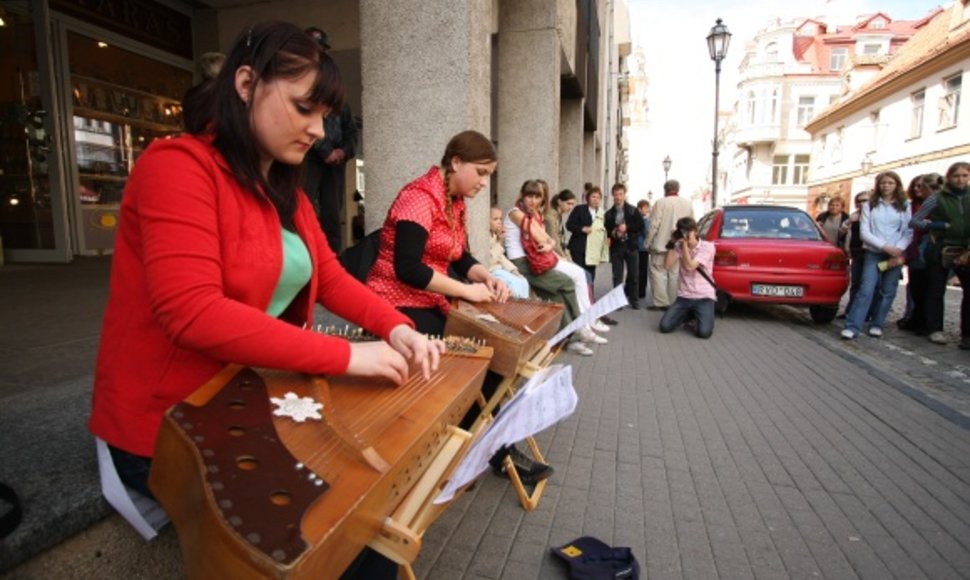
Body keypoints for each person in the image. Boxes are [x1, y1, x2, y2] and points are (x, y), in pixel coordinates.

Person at [87, 22, 442, 580]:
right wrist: (350, 356)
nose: (319, 131)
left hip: (243, 396)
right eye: (305, 109)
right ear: (247, 83)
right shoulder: (176, 167)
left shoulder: (281, 189)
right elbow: (193, 311)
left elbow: (329, 277)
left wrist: (395, 326)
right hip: (169, 419)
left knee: (363, 523)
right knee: (341, 541)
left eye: (324, 116)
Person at [365, 130, 553, 485]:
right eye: (481, 173)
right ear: (455, 162)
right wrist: (467, 291)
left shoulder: (456, 202)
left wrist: (485, 277)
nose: (484, 183)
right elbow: (408, 268)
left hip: (432, 297)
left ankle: (486, 448)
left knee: (493, 357)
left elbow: (460, 256)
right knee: (467, 360)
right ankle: (471, 451)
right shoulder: (418, 198)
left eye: (489, 175)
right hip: (394, 300)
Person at [505, 179, 611, 353]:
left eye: (537, 197)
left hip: (533, 260)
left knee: (558, 298)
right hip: (522, 263)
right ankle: (581, 326)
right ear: (522, 196)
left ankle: (572, 339)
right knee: (567, 283)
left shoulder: (531, 214)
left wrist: (549, 243)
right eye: (529, 196)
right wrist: (548, 242)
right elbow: (540, 236)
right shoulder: (515, 213)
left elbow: (547, 238)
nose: (533, 200)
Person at [304, 26, 358, 253]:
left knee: (333, 218)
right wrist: (325, 150)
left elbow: (350, 130)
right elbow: (303, 121)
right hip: (309, 157)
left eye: (322, 49)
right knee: (302, 211)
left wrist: (343, 151)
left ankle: (335, 264)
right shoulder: (300, 81)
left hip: (335, 163)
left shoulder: (335, 88)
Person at [841, 171, 912, 340]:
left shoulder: (904, 205)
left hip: (895, 255)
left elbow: (908, 231)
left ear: (897, 185)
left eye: (890, 183)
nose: (886, 186)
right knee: (865, 289)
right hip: (874, 253)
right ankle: (853, 325)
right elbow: (865, 232)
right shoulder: (870, 206)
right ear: (878, 185)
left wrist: (898, 249)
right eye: (883, 183)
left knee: (887, 290)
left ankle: (877, 323)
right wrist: (885, 246)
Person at [910, 161, 970, 348]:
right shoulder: (936, 198)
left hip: (965, 249)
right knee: (936, 290)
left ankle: (967, 335)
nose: (960, 179)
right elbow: (915, 221)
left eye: (964, 175)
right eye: (956, 175)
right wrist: (938, 225)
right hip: (941, 247)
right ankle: (935, 329)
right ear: (949, 177)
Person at [658, 217, 716, 338]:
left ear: (695, 231)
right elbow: (667, 266)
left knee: (704, 333)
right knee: (665, 326)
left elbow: (690, 266)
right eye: (683, 231)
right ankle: (689, 315)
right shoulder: (678, 247)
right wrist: (672, 243)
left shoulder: (707, 247)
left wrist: (684, 245)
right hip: (684, 296)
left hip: (704, 297)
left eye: (688, 231)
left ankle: (699, 316)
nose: (686, 235)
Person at [898, 174, 940, 334]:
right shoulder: (911, 205)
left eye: (921, 186)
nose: (917, 189)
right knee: (915, 286)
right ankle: (912, 316)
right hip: (913, 247)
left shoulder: (935, 203)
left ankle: (926, 322)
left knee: (929, 287)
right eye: (915, 186)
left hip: (929, 246)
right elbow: (910, 224)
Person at [645, 179, 694, 309]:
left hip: (661, 244)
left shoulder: (660, 203)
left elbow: (654, 225)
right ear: (678, 189)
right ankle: (673, 302)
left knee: (657, 272)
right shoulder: (687, 204)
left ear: (665, 190)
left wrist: (648, 242)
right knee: (674, 274)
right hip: (679, 245)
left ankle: (661, 302)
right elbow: (692, 226)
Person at [604, 183, 643, 309]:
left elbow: (640, 226)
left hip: (631, 246)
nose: (618, 197)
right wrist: (614, 232)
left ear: (624, 195)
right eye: (616, 195)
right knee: (617, 276)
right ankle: (618, 301)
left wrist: (627, 227)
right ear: (613, 196)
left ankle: (634, 300)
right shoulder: (609, 213)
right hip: (616, 247)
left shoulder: (633, 210)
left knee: (633, 275)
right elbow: (607, 230)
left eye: (620, 194)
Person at [566, 186, 609, 287]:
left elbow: (606, 231)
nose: (596, 200)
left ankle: (589, 296)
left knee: (591, 274)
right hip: (579, 248)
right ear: (588, 198)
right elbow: (569, 225)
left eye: (598, 197)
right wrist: (582, 229)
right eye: (593, 197)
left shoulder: (602, 213)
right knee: (580, 273)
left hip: (594, 250)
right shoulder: (579, 209)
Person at [839, 190, 871, 318]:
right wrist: (848, 223)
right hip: (856, 254)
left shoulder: (874, 216)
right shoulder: (853, 217)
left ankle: (866, 313)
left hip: (870, 253)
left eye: (865, 200)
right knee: (855, 284)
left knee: (868, 285)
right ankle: (850, 311)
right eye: (859, 201)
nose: (862, 203)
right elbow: (841, 233)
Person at [488, 206, 530, 299]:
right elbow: (493, 256)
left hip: (500, 268)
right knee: (510, 285)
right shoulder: (486, 238)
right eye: (495, 219)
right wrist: (499, 240)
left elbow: (501, 257)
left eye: (500, 219)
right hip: (491, 271)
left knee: (523, 281)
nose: (499, 222)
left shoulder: (495, 236)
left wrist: (513, 270)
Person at [545, 188, 577, 259]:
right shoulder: (551, 217)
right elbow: (554, 239)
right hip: (551, 254)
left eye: (572, 204)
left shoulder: (558, 215)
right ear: (559, 202)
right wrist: (563, 256)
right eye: (568, 203)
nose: (571, 207)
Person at [636, 199, 651, 301]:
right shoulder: (643, 220)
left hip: (640, 248)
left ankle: (638, 291)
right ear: (639, 208)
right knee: (641, 271)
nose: (647, 210)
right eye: (645, 208)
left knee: (638, 270)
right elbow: (646, 232)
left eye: (647, 208)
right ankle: (641, 291)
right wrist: (646, 221)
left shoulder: (639, 218)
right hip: (641, 247)